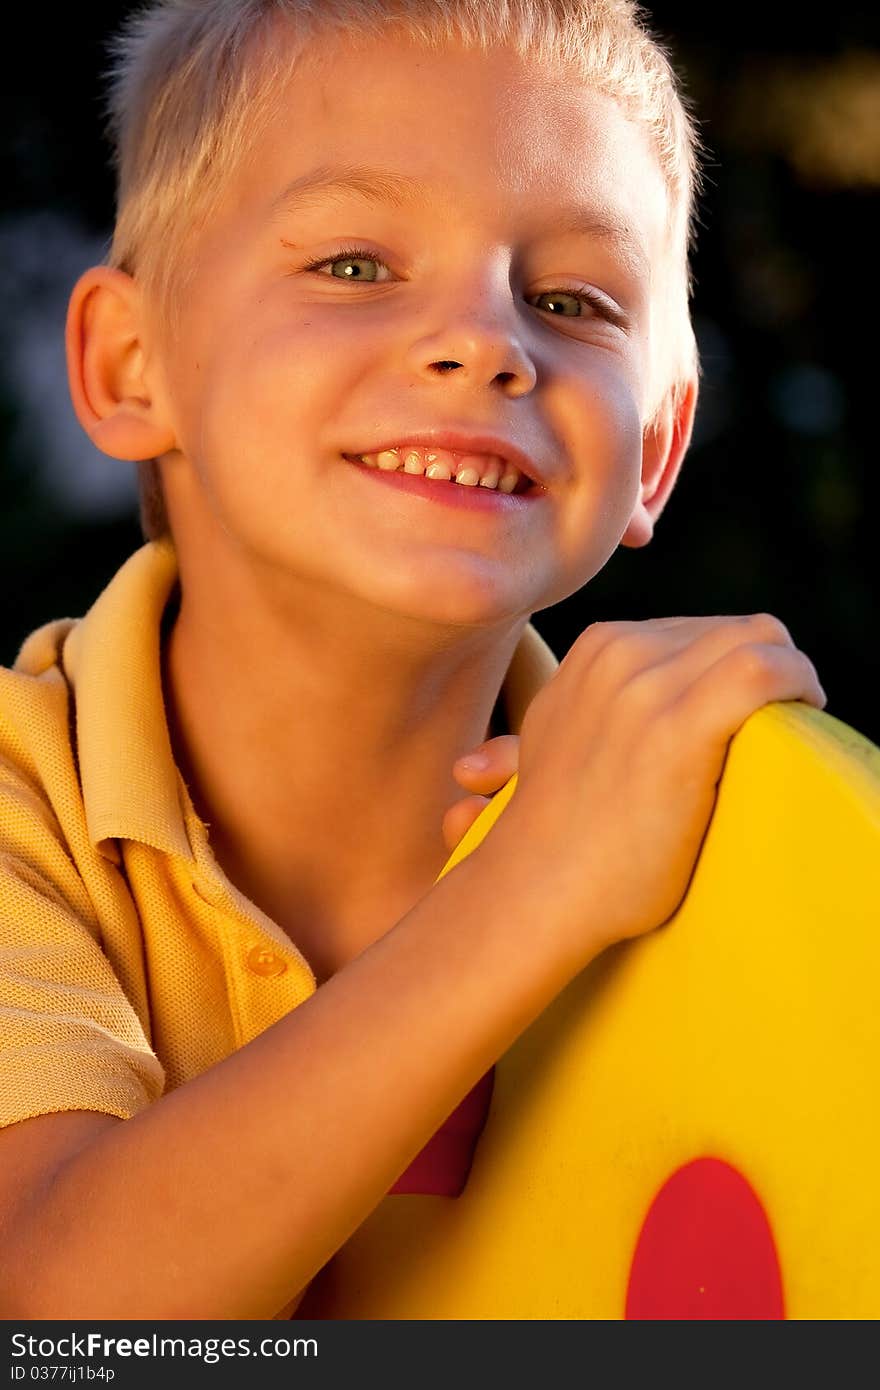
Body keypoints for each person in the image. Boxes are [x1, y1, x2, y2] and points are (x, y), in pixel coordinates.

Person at [0, 0, 826, 1321]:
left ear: (657, 447)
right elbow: (60, 1319)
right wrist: (536, 884)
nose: (487, 342)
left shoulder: (741, 821)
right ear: (130, 360)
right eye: (352, 266)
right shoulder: (16, 805)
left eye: (569, 299)